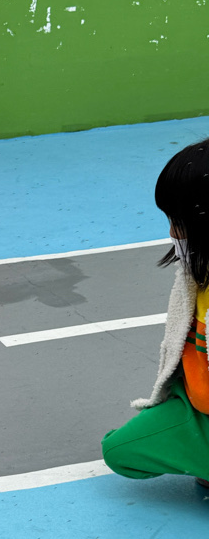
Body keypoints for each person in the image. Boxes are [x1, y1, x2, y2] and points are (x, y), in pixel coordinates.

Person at [102, 140, 209, 487]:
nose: (172, 232)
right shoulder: (196, 273)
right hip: (193, 404)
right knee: (119, 449)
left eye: (180, 221)